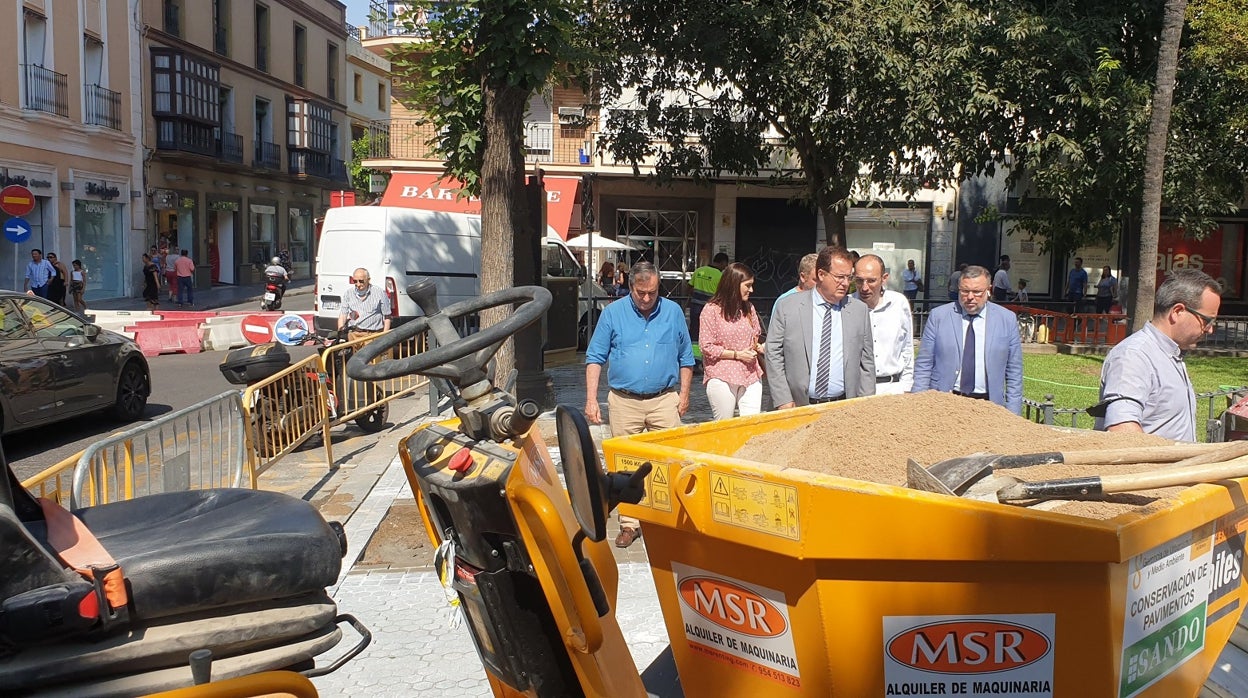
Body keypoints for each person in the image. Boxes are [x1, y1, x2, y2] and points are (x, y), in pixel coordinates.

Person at [584, 261, 695, 548]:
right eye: (640, 292)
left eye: (652, 293)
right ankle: (629, 524)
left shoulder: (672, 313)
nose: (646, 299)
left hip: (664, 399)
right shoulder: (613, 314)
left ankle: (671, 520)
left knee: (672, 462)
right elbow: (595, 357)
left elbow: (686, 357)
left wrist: (684, 395)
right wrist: (590, 399)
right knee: (624, 467)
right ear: (629, 285)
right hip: (624, 401)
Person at [1093, 269, 1221, 442]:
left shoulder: (1169, 354)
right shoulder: (1134, 356)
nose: (1210, 329)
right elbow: (1122, 431)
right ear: (1177, 311)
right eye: (1207, 321)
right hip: (1152, 469)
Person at [765, 246, 875, 408]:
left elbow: (867, 362)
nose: (845, 284)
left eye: (849, 277)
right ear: (821, 274)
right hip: (797, 406)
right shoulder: (788, 306)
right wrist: (783, 399)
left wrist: (865, 402)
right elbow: (773, 353)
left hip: (844, 407)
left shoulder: (858, 310)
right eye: (839, 277)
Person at [912, 265, 1023, 414]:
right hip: (945, 403)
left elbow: (1014, 371)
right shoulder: (938, 316)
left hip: (989, 405)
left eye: (977, 292)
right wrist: (918, 406)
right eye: (964, 291)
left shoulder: (1006, 319)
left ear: (989, 290)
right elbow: (924, 365)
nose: (970, 297)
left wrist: (1013, 415)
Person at [699, 263, 765, 420]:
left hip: (751, 373)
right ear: (734, 284)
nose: (751, 290)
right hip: (721, 374)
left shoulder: (749, 308)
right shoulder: (711, 310)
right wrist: (737, 355)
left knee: (752, 423)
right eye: (747, 285)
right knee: (724, 423)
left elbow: (756, 334)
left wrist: (759, 347)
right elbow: (706, 346)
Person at [854, 254, 914, 395]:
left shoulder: (898, 303)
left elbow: (907, 346)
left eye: (871, 281)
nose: (864, 287)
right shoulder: (847, 306)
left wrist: (906, 385)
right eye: (859, 281)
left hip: (893, 388)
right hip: (857, 389)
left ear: (884, 278)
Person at [338, 267, 392, 342]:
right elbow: (343, 315)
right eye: (355, 281)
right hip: (354, 335)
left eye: (361, 281)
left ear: (368, 280)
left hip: (373, 335)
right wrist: (340, 332)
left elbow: (387, 317)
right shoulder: (348, 293)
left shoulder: (380, 293)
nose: (358, 284)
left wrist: (384, 337)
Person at [688, 252, 729, 341]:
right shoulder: (721, 276)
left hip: (695, 306)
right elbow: (723, 294)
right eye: (725, 264)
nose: (725, 267)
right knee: (708, 332)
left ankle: (694, 351)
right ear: (722, 262)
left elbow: (690, 287)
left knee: (694, 330)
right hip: (711, 309)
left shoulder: (699, 270)